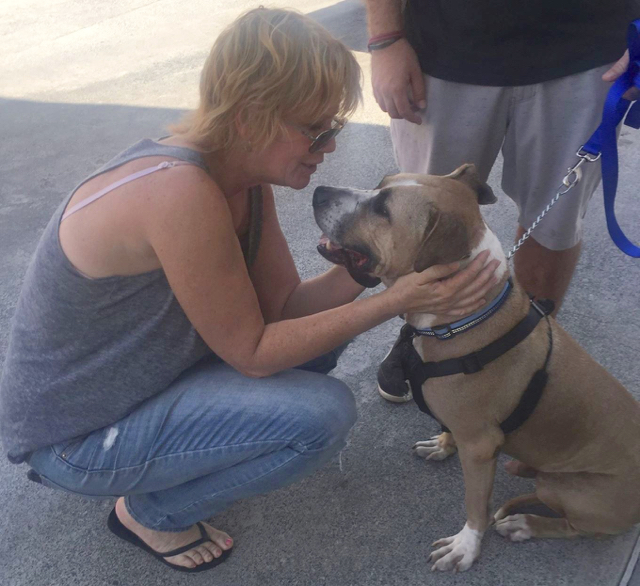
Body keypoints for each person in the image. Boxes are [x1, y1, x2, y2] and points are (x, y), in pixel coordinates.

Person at [0, 7, 500, 573]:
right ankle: (150, 512)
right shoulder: (177, 193)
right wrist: (394, 301)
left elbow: (285, 311)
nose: (332, 145)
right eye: (318, 129)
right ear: (248, 119)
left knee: (316, 340)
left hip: (144, 383)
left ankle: (175, 452)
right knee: (320, 418)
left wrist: (372, 268)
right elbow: (255, 354)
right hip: (82, 436)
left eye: (335, 126)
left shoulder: (236, 180)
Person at [366, 0, 639, 402]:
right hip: (446, 49)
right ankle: (422, 338)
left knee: (553, 228)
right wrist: (385, 38)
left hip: (588, 52)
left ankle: (522, 349)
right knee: (419, 225)